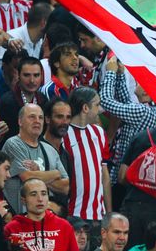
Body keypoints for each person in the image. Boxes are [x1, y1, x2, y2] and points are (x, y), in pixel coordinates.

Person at [99, 56, 156, 186]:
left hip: (123, 178)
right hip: (132, 175)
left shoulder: (141, 111)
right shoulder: (152, 109)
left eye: (140, 81)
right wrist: (121, 74)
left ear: (146, 92)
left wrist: (110, 72)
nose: (136, 81)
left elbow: (105, 100)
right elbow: (126, 103)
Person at [2, 103, 69, 213]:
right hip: (19, 217)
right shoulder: (13, 144)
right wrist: (55, 174)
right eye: (32, 117)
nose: (37, 121)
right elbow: (27, 177)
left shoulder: (50, 150)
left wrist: (39, 172)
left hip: (45, 217)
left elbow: (65, 187)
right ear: (20, 122)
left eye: (40, 118)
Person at [65, 87, 112, 222]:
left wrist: (108, 213)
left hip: (98, 215)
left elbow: (105, 176)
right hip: (72, 214)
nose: (100, 109)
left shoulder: (99, 133)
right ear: (85, 108)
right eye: (97, 105)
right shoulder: (63, 135)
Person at [4, 179, 80, 250]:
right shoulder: (11, 228)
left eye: (43, 194)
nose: (40, 199)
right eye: (33, 194)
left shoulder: (64, 226)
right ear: (23, 200)